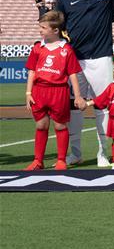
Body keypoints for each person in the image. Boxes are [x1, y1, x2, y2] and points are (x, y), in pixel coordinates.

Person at [55, 0, 114, 166]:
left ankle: (103, 153)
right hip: (75, 60)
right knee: (75, 107)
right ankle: (75, 153)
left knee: (102, 106)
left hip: (102, 58)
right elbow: (57, 28)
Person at [23, 11, 86, 170]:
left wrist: (77, 96)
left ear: (56, 30)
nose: (40, 30)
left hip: (59, 92)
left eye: (44, 28)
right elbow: (32, 71)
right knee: (41, 125)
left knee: (60, 126)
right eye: (40, 27)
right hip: (39, 91)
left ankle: (61, 161)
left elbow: (72, 74)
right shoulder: (37, 48)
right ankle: (38, 161)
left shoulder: (66, 49)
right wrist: (28, 93)